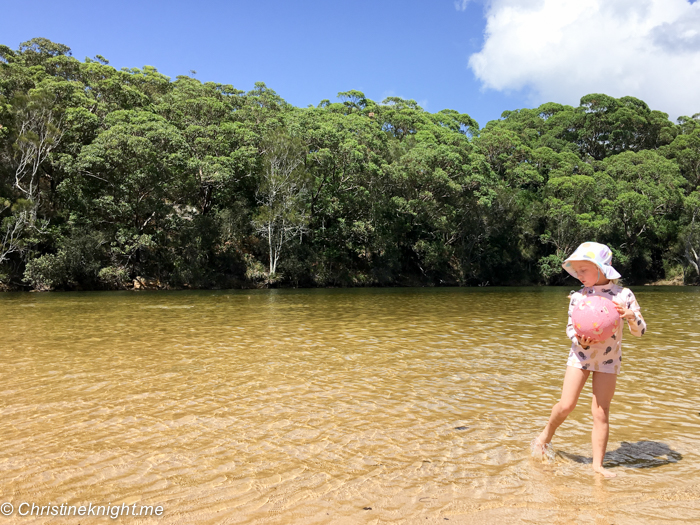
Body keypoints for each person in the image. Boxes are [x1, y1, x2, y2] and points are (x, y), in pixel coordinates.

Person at [533, 242, 646, 478]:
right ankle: (544, 437)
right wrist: (581, 342)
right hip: (580, 357)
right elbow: (570, 331)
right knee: (566, 405)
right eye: (577, 271)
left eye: (584, 270)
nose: (579, 276)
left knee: (601, 412)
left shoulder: (623, 295)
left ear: (602, 268)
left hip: (608, 361)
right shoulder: (578, 297)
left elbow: (640, 332)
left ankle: (597, 465)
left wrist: (631, 317)